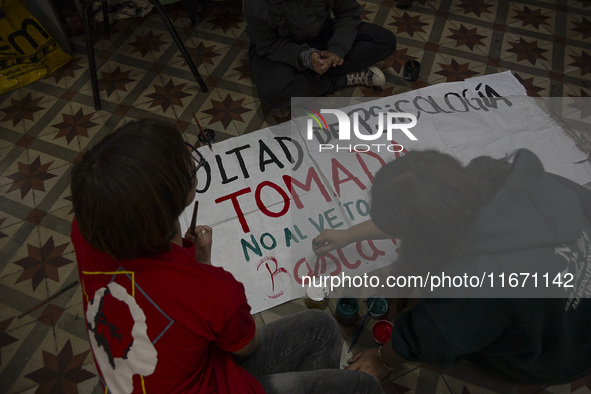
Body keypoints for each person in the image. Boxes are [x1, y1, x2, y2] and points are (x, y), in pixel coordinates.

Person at [70, 119, 383, 393]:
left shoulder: (87, 229)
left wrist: (192, 261)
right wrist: (202, 268)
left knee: (322, 327)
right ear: (176, 200)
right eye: (187, 166)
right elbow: (246, 345)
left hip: (137, 379)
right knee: (363, 384)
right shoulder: (213, 291)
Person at [313, 149, 591, 385]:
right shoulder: (514, 182)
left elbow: (435, 338)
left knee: (459, 336)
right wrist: (349, 235)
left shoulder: (474, 287)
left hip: (567, 351)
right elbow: (430, 213)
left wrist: (384, 358)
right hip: (572, 310)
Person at [243, 0, 397, 108]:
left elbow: (348, 12)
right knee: (275, 94)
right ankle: (345, 78)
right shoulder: (255, 3)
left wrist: (337, 49)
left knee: (384, 40)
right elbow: (268, 44)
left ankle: (309, 78)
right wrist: (305, 57)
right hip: (279, 47)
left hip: (322, 34)